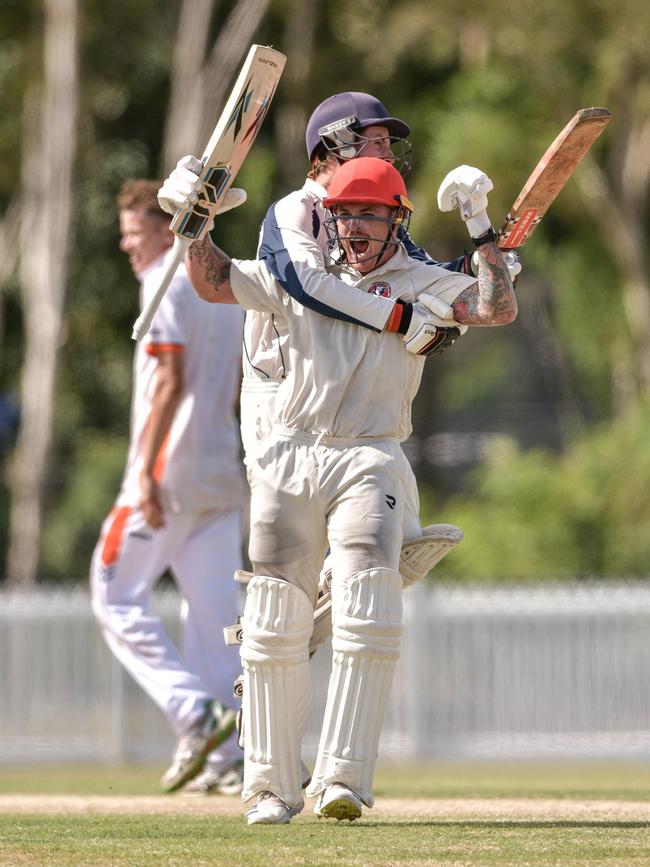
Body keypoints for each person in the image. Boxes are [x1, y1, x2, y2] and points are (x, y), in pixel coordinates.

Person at [165, 155, 516, 824]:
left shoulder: (421, 281)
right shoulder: (299, 274)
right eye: (346, 212)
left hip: (369, 454)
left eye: (372, 214)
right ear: (327, 215)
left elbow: (496, 306)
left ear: (396, 221)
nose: (357, 226)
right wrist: (193, 222)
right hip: (290, 453)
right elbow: (212, 281)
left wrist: (479, 226)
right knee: (273, 620)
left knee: (368, 602)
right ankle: (269, 786)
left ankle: (342, 781)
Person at [89, 179, 246, 797]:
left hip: (167, 473)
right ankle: (232, 760)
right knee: (214, 622)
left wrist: (149, 474)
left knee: (113, 592)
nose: (127, 244)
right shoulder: (222, 283)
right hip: (218, 470)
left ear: (166, 227)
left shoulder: (165, 281)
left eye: (135, 231)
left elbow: (168, 382)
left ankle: (194, 714)